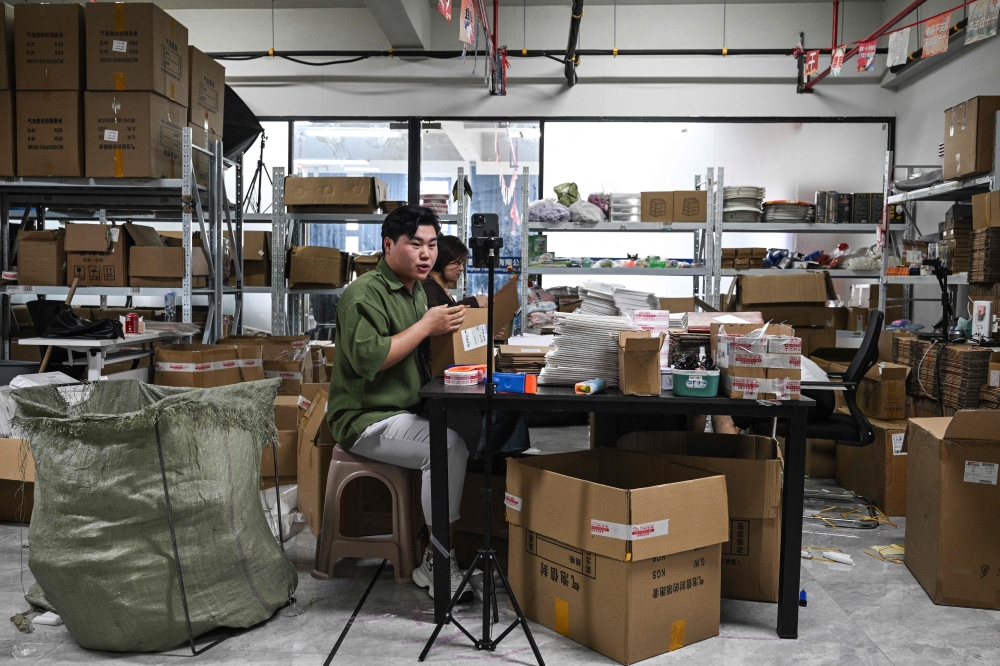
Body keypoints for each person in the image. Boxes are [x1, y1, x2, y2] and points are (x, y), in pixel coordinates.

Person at [326, 205, 482, 601]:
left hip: (403, 410)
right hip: (365, 418)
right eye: (415, 245)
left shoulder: (414, 292)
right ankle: (438, 560)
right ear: (389, 245)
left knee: (477, 428)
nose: (426, 254)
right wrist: (427, 325)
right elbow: (370, 359)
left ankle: (456, 541)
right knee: (446, 447)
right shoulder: (364, 294)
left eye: (431, 245)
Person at [423, 234, 487, 309]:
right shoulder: (429, 288)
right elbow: (434, 316)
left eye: (463, 264)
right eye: (457, 263)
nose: (461, 268)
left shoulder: (440, 289)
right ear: (442, 260)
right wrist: (473, 302)